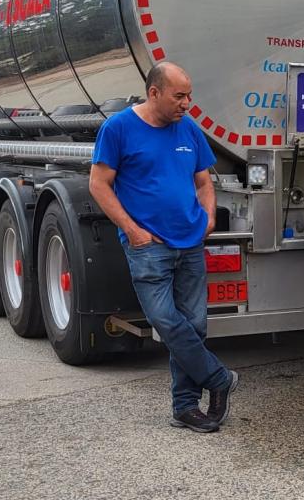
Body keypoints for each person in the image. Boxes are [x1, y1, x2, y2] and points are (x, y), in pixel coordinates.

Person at [90, 62, 237, 434]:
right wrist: (131, 230)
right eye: (179, 96)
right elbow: (99, 184)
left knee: (195, 326)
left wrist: (208, 218)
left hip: (190, 242)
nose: (188, 103)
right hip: (148, 246)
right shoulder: (119, 128)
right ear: (154, 92)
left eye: (190, 95)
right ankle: (218, 378)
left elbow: (203, 181)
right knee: (165, 321)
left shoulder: (187, 127)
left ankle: (187, 407)